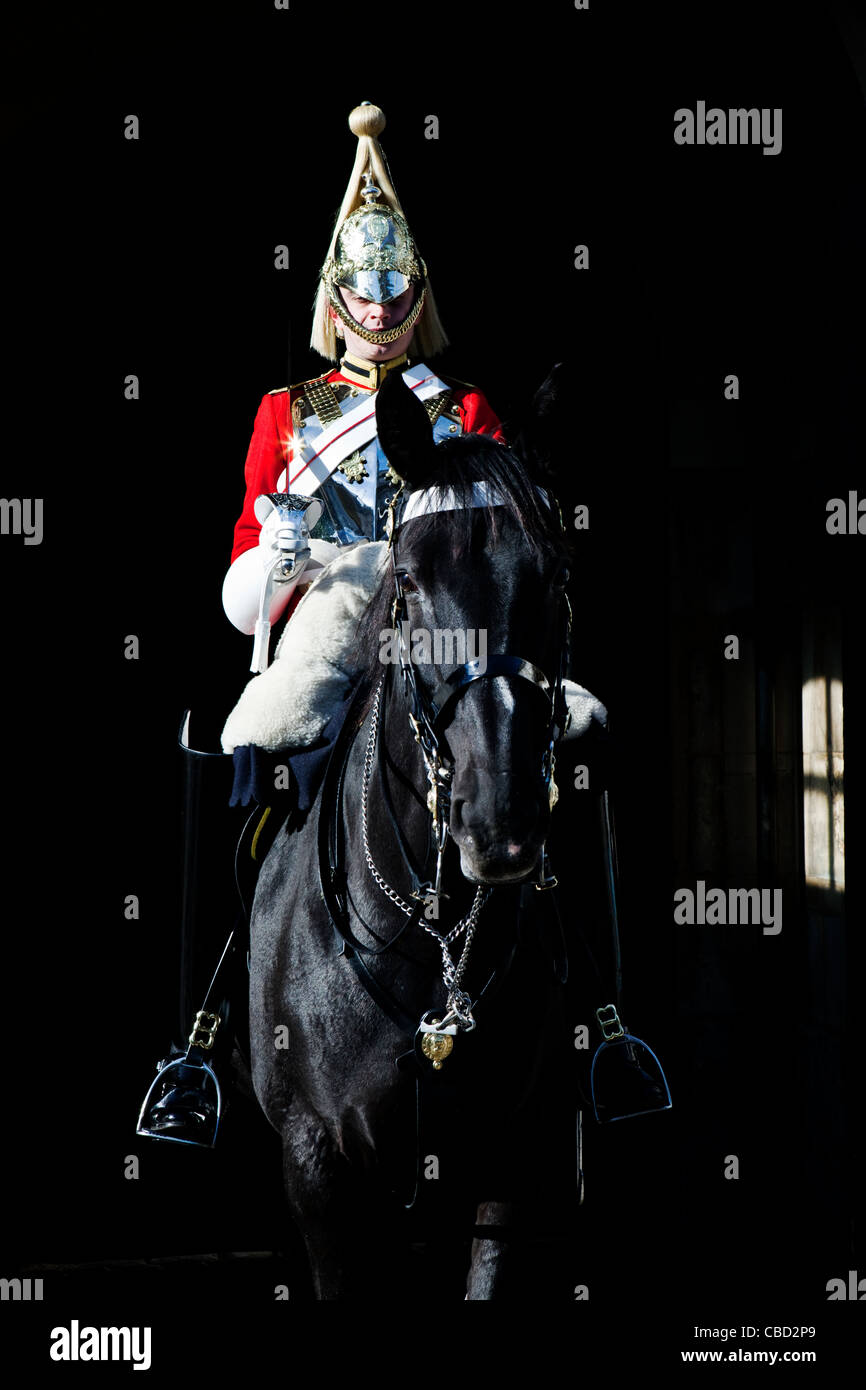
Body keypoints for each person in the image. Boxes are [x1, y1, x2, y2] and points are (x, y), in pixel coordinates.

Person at [136, 101, 508, 1147]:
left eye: (396, 288)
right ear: (333, 297)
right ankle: (204, 1032)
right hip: (328, 614)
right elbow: (238, 592)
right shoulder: (283, 411)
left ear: (417, 292)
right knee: (254, 735)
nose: (379, 306)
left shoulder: (463, 406)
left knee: (534, 739)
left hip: (436, 612)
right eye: (363, 288)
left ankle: (601, 1018)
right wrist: (285, 555)